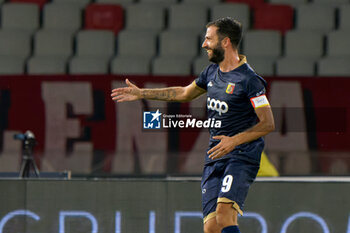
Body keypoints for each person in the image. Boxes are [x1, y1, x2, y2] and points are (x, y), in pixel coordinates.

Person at [111, 17, 275, 233]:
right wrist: (142, 93)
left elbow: (268, 123)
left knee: (225, 215)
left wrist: (233, 141)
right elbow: (184, 93)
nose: (204, 44)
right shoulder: (211, 73)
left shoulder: (249, 80)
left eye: (208, 39)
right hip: (215, 155)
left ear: (225, 42)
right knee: (211, 227)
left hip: (241, 153)